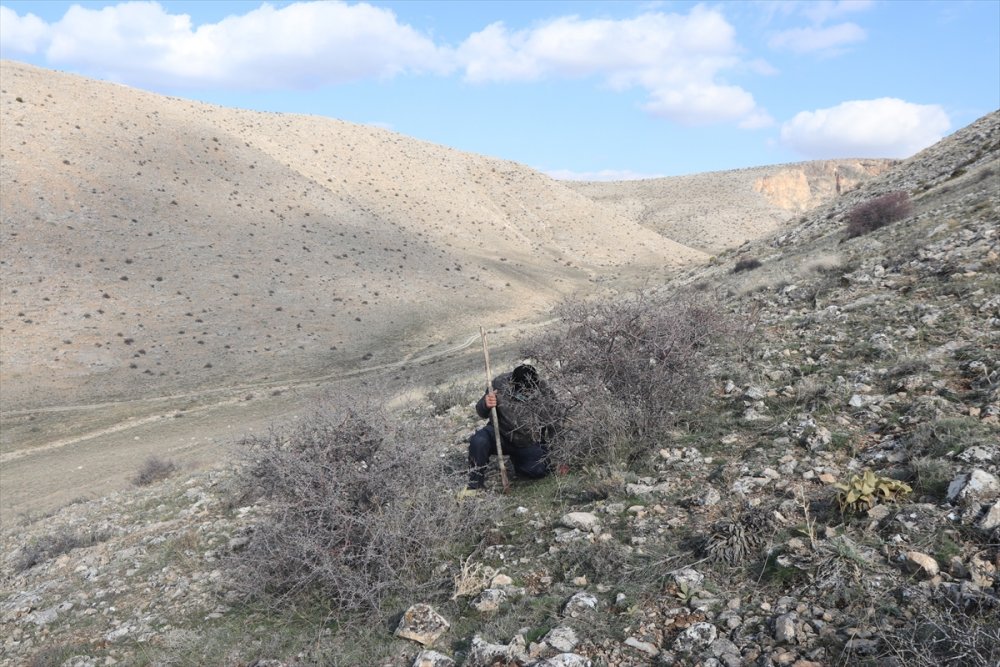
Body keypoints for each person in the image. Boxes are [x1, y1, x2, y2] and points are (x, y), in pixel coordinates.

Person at [467, 363, 562, 490]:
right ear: (512, 383)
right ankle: (475, 485)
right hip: (500, 434)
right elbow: (481, 411)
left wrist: (561, 458)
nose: (526, 395)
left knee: (539, 470)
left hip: (528, 441)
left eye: (529, 391)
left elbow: (555, 424)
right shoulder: (499, 384)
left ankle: (519, 463)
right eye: (522, 392)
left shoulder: (544, 391)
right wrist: (486, 404)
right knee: (478, 441)